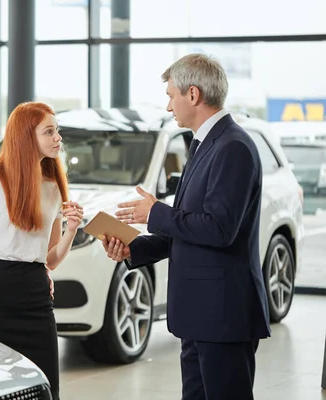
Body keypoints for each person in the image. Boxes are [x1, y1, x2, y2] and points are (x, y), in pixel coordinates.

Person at [103, 54, 270, 400]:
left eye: (171, 95)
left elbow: (218, 229)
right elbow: (187, 231)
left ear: (192, 95)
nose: (168, 106)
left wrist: (155, 212)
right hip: (199, 315)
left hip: (222, 316)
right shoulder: (206, 145)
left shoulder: (233, 147)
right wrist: (133, 247)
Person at [0, 101, 83, 400]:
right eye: (49, 132)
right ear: (25, 136)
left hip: (36, 296)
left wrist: (71, 231)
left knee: (46, 388)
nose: (58, 138)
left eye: (57, 131)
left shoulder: (53, 187)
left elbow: (51, 260)